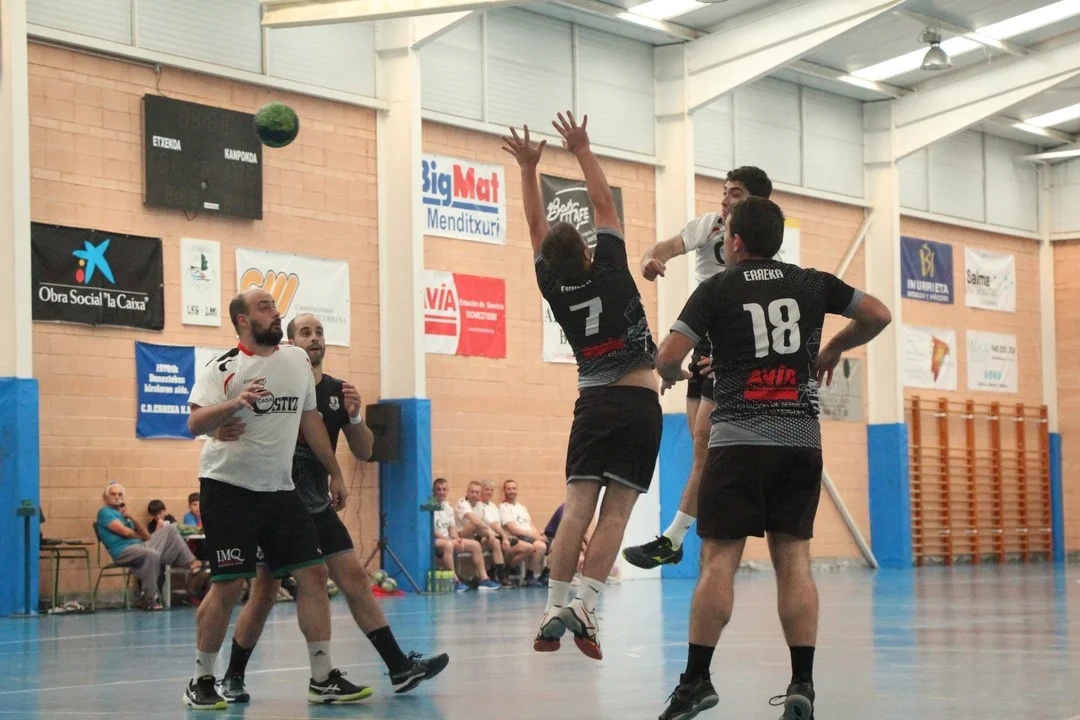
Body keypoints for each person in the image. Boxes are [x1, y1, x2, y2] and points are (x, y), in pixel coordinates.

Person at [652, 197, 892, 720]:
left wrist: (671, 375)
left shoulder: (717, 288)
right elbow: (879, 314)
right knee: (794, 561)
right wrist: (835, 347)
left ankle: (696, 682)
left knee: (719, 560)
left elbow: (668, 355)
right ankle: (802, 683)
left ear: (735, 241)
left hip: (737, 443)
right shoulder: (812, 283)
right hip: (799, 442)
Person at [212, 312, 449, 703]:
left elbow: (365, 450)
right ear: (290, 343)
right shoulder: (274, 384)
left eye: (319, 332)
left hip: (317, 504)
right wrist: (219, 428)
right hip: (278, 504)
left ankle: (399, 668)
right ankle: (232, 676)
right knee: (265, 592)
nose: (315, 338)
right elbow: (226, 421)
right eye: (305, 332)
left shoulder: (339, 391)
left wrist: (354, 416)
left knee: (354, 578)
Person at [502, 112, 662, 660]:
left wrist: (528, 169)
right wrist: (582, 148)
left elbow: (534, 225)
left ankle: (553, 605)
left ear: (551, 263)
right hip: (637, 401)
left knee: (576, 508)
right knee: (616, 511)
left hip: (592, 402)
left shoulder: (552, 284)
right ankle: (586, 605)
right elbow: (602, 205)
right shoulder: (611, 267)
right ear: (590, 251)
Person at [183, 288, 369, 710]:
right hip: (228, 489)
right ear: (243, 320)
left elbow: (310, 418)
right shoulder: (223, 367)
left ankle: (322, 678)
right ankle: (201, 678)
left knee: (314, 574)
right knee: (229, 586)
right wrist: (232, 406)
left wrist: (336, 472)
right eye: (264, 307)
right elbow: (194, 422)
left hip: (280, 491)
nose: (275, 312)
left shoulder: (296, 360)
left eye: (274, 306)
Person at [621, 166, 773, 571]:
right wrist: (650, 259)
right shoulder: (709, 226)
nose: (724, 199)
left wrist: (735, 356)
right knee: (700, 447)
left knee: (707, 443)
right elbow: (666, 246)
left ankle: (679, 536)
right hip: (704, 338)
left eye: (735, 194)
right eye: (724, 191)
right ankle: (690, 531)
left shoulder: (763, 248)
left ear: (755, 204)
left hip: (734, 342)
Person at [96, 481, 203, 611]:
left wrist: (131, 517)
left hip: (140, 546)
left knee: (170, 529)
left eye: (120, 494)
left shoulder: (124, 514)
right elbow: (125, 532)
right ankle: (149, 599)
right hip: (123, 551)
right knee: (152, 554)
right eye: (113, 494)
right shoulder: (104, 512)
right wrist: (139, 536)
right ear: (106, 497)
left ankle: (190, 562)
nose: (117, 497)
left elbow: (147, 536)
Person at [431, 477, 496, 591]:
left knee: (475, 545)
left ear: (447, 491)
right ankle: (454, 580)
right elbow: (431, 530)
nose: (441, 492)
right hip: (434, 540)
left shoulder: (448, 506)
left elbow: (452, 528)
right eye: (438, 489)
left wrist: (458, 539)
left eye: (444, 489)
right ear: (434, 490)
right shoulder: (429, 505)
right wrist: (450, 540)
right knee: (449, 545)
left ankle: (484, 579)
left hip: (448, 538)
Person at [498, 479, 548, 584]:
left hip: (529, 536)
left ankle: (529, 575)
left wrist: (538, 536)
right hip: (517, 537)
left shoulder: (521, 507)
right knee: (537, 545)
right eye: (509, 489)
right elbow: (514, 530)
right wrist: (535, 537)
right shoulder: (503, 508)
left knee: (542, 546)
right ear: (505, 491)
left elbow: (531, 525)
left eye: (514, 488)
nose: (512, 491)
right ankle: (507, 568)